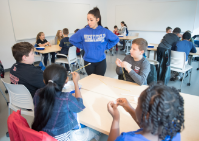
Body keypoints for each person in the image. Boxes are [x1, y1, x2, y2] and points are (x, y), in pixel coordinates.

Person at [32, 64, 100, 141]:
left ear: (44, 81)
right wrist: (76, 83)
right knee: (96, 130)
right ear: (66, 80)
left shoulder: (37, 93)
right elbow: (79, 106)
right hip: (62, 138)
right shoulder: (66, 98)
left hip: (41, 135)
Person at [107, 83, 184, 141]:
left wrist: (116, 119)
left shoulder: (126, 138)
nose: (136, 107)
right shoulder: (174, 130)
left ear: (146, 116)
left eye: (138, 104)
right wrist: (128, 108)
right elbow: (150, 123)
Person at [69, 7, 119, 76]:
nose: (89, 22)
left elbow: (116, 39)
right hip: (88, 62)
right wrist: (83, 46)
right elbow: (71, 39)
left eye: (91, 20)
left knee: (99, 81)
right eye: (87, 20)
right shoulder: (83, 31)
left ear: (97, 19)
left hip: (101, 62)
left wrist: (106, 47)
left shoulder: (104, 31)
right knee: (91, 82)